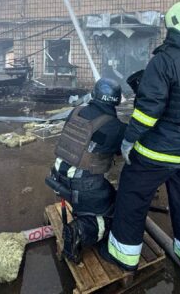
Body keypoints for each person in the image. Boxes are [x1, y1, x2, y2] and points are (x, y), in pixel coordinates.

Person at [101, 0, 180, 276]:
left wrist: (129, 140)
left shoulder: (163, 61)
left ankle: (124, 255)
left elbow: (148, 111)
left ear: (172, 27)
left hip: (158, 152)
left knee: (133, 194)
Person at [45, 78, 126, 263]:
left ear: (94, 94)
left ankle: (84, 213)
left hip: (57, 175)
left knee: (101, 192)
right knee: (117, 209)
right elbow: (122, 151)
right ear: (116, 101)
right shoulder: (116, 127)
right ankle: (80, 231)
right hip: (83, 186)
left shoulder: (76, 111)